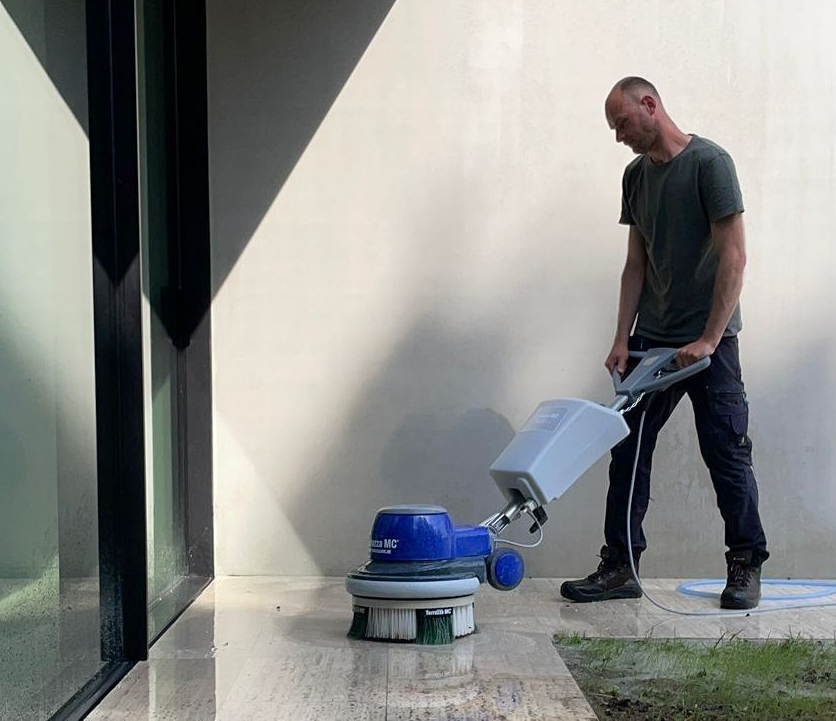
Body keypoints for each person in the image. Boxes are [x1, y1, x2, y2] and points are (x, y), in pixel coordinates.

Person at [560, 77, 768, 610]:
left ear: (649, 105)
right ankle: (620, 567)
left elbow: (734, 258)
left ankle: (745, 562)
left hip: (709, 343)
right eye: (614, 128)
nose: (619, 136)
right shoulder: (635, 177)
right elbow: (636, 263)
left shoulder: (710, 164)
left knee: (726, 452)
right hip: (651, 342)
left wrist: (710, 338)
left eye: (622, 123)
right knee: (627, 449)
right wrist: (620, 338)